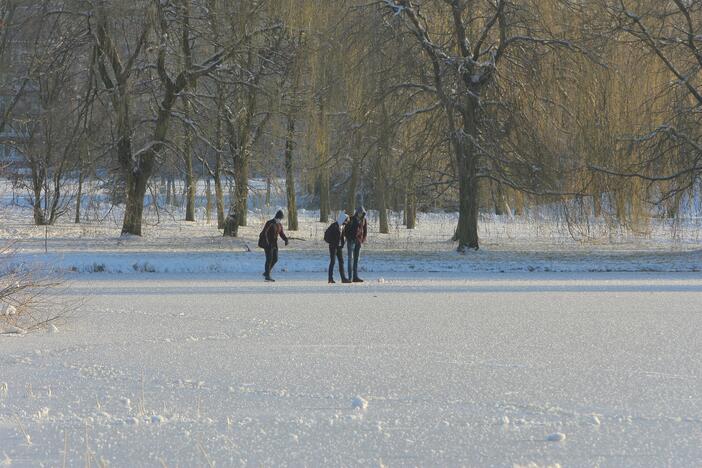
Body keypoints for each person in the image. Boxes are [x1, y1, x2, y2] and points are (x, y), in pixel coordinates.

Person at [260, 209, 288, 282]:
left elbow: (281, 233)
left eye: (281, 219)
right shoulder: (270, 223)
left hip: (274, 244)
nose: (280, 220)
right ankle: (267, 275)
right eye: (280, 218)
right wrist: (266, 241)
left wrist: (285, 239)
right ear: (277, 217)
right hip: (268, 244)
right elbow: (264, 232)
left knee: (275, 259)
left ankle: (267, 272)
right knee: (269, 259)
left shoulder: (279, 225)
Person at [324, 212, 350, 284]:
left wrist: (342, 243)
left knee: (341, 262)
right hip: (333, 247)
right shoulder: (334, 226)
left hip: (339, 247)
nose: (346, 222)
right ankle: (330, 278)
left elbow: (342, 236)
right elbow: (326, 236)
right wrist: (332, 242)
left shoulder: (342, 226)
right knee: (333, 262)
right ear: (342, 219)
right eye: (346, 221)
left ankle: (343, 278)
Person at [345, 206, 367, 282]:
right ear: (357, 212)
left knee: (356, 260)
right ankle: (350, 277)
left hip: (359, 242)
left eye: (362, 213)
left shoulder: (364, 220)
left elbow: (365, 231)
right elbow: (346, 230)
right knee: (350, 259)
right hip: (351, 242)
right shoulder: (351, 219)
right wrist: (349, 239)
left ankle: (355, 277)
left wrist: (362, 240)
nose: (361, 214)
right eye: (359, 212)